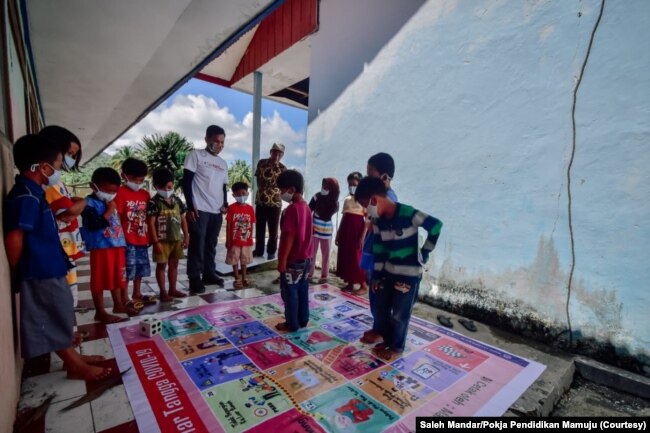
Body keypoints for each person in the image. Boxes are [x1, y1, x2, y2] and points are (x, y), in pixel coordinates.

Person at [4, 134, 110, 380]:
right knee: (51, 316)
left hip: (51, 266)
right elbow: (14, 237)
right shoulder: (25, 196)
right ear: (43, 167)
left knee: (61, 312)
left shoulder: (35, 192)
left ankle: (73, 356)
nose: (60, 169)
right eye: (60, 164)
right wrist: (20, 269)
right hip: (39, 269)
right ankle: (74, 365)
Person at [354, 176, 442, 361]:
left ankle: (396, 346)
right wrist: (376, 276)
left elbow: (435, 226)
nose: (366, 211)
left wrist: (424, 253)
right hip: (387, 274)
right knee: (382, 308)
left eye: (365, 205)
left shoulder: (409, 213)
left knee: (400, 314)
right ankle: (386, 338)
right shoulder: (378, 222)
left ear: (374, 200)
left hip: (408, 277)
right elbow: (379, 250)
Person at [39, 126, 86, 344]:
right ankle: (66, 339)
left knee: (69, 296)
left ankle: (70, 335)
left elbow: (69, 208)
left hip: (66, 251)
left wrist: (75, 205)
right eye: (69, 154)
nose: (70, 160)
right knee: (62, 298)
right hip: (59, 251)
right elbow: (68, 211)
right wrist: (82, 202)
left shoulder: (58, 182)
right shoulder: (50, 184)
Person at [80, 167, 131, 323]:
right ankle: (100, 311)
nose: (111, 195)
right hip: (100, 247)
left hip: (116, 245)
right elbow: (93, 225)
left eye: (114, 192)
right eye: (107, 191)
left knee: (117, 276)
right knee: (99, 279)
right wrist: (110, 210)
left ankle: (118, 304)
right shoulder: (88, 203)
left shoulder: (111, 202)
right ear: (94, 186)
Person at [183, 125, 229, 294]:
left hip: (216, 211)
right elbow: (186, 182)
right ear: (207, 139)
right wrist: (190, 206)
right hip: (199, 209)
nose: (219, 145)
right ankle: (194, 278)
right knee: (197, 245)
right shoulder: (196, 156)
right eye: (216, 141)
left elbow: (224, 186)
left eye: (222, 142)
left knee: (211, 245)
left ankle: (209, 274)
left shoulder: (223, 163)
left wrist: (224, 203)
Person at [360, 152, 399, 344]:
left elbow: (383, 230)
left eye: (370, 173)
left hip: (380, 256)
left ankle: (381, 330)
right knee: (375, 293)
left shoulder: (388, 198)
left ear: (384, 177)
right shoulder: (379, 197)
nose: (367, 178)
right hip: (374, 251)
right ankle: (378, 326)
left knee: (379, 294)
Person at [275, 170, 313, 332]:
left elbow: (289, 235)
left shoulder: (292, 209)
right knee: (302, 290)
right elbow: (310, 235)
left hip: (293, 261)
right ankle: (303, 320)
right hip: (306, 259)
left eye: (281, 190)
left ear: (291, 189)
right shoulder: (306, 208)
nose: (280, 193)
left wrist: (282, 260)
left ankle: (292, 323)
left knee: (290, 293)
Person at [147, 168, 189, 301]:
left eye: (169, 187)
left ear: (173, 184)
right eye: (162, 187)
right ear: (156, 187)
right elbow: (151, 223)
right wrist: (155, 242)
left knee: (174, 265)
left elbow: (183, 219)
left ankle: (173, 289)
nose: (166, 190)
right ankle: (163, 292)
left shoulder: (177, 201)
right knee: (161, 266)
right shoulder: (153, 203)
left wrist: (186, 236)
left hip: (176, 239)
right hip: (161, 241)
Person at [115, 158, 152, 304]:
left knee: (140, 268)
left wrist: (149, 236)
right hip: (126, 240)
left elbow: (148, 216)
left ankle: (137, 293)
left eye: (141, 180)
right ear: (125, 176)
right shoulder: (120, 193)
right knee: (127, 269)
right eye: (136, 179)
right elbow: (117, 216)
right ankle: (124, 297)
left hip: (142, 238)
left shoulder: (145, 194)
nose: (139, 183)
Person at [335, 172, 368, 294]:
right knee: (346, 256)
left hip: (357, 231)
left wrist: (362, 237)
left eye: (354, 184)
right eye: (349, 185)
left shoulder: (364, 200)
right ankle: (350, 283)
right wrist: (339, 233)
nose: (351, 187)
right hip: (346, 230)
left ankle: (363, 285)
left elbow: (367, 219)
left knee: (356, 258)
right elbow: (344, 217)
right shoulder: (347, 199)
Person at [253, 142, 287, 260]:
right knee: (260, 228)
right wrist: (263, 192)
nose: (276, 156)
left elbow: (284, 186)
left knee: (273, 230)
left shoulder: (283, 169)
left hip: (275, 203)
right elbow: (258, 179)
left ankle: (271, 251)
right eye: (275, 153)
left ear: (282, 155)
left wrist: (274, 193)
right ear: (271, 152)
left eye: (280, 154)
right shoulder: (262, 163)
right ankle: (258, 250)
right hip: (261, 201)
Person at [308, 177, 340, 283]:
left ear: (332, 189)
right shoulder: (316, 197)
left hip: (326, 231)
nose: (323, 188)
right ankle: (309, 274)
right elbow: (309, 210)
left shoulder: (334, 201)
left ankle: (324, 276)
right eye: (323, 186)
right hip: (315, 229)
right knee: (312, 252)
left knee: (326, 254)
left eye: (326, 187)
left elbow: (332, 211)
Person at [225, 182, 256, 289]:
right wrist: (228, 240)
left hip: (246, 241)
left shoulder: (250, 208)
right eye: (238, 194)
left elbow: (251, 225)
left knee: (244, 260)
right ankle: (237, 278)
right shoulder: (231, 208)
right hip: (234, 241)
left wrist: (251, 239)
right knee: (234, 260)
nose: (241, 196)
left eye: (243, 193)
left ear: (248, 193)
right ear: (234, 195)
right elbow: (228, 225)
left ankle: (244, 277)